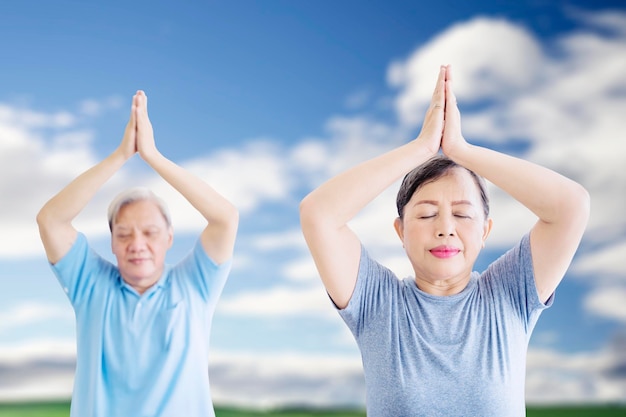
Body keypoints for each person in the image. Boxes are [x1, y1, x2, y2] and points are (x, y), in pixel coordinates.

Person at [299, 65, 590, 416]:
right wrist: (423, 147)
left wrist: (460, 150)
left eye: (463, 214)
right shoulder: (378, 304)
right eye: (425, 214)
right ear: (401, 231)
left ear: (484, 232)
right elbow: (318, 214)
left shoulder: (511, 294)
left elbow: (571, 205)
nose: (445, 228)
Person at [36, 91, 238, 417]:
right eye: (124, 234)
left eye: (150, 232)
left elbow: (226, 218)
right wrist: (120, 155)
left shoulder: (195, 284)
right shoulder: (91, 285)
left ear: (170, 237)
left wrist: (154, 156)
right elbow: (50, 220)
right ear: (112, 243)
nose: (137, 244)